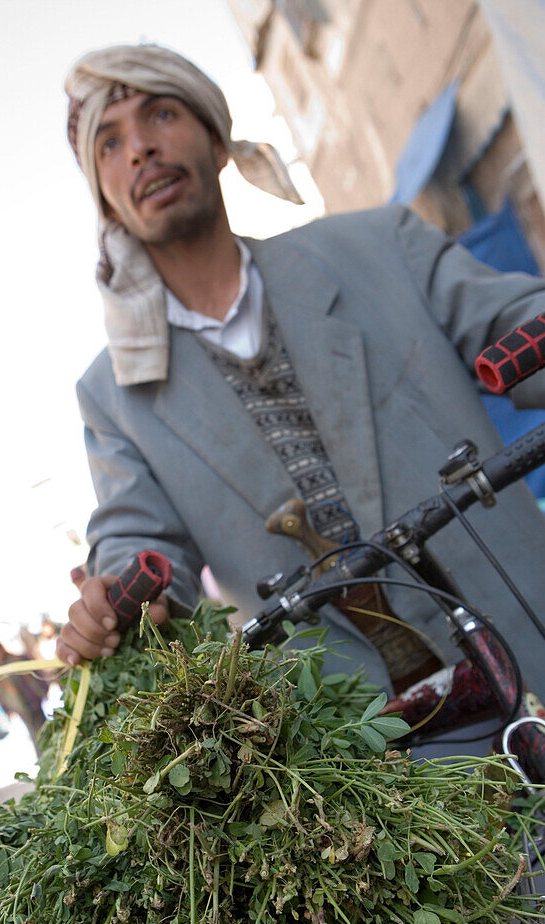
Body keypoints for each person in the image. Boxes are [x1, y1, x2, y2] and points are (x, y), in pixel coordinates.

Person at [57, 44, 545, 697]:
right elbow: (137, 542)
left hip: (525, 634)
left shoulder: (379, 247)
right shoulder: (113, 396)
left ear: (217, 141)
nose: (140, 148)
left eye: (162, 114)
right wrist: (116, 599)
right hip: (371, 756)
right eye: (108, 144)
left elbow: (512, 325)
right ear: (107, 200)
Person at [0, 640, 49, 755]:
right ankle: (44, 756)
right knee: (34, 734)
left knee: (45, 727)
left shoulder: (18, 659)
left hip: (34, 700)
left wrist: (43, 689)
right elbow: (1, 693)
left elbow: (36, 672)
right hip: (21, 707)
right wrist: (8, 710)